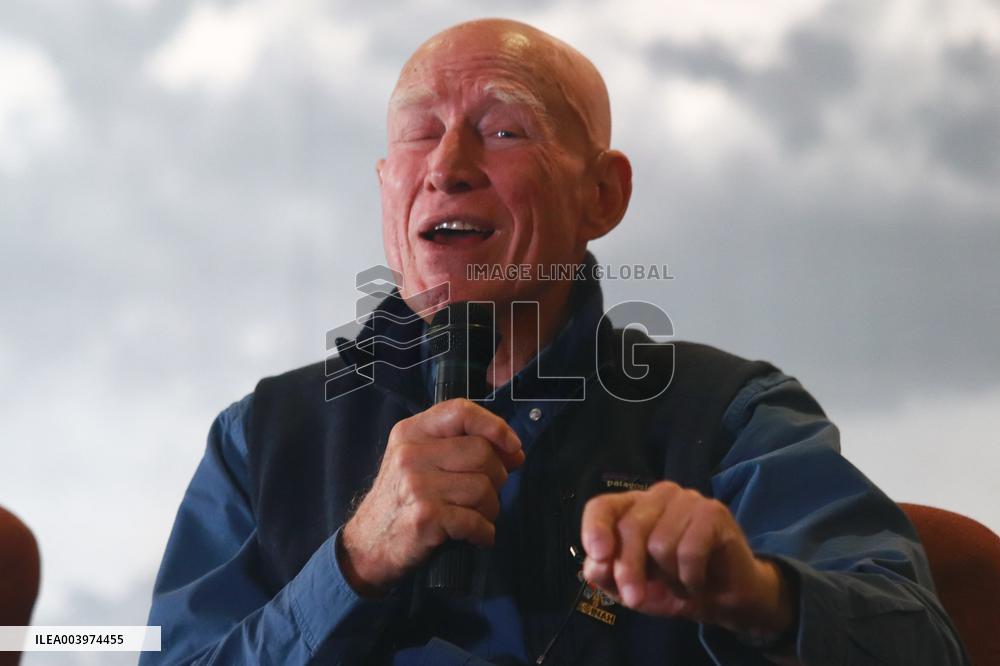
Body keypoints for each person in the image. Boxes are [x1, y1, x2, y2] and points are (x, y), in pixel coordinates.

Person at [142, 18, 970, 665]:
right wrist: (352, 563)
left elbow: (928, 647)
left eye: (504, 131)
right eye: (419, 133)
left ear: (604, 196)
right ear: (387, 183)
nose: (448, 166)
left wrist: (753, 593)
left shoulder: (730, 420)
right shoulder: (261, 435)